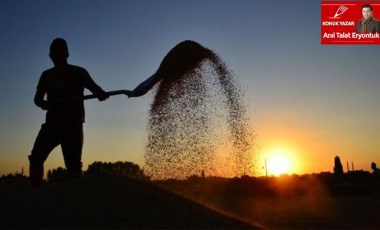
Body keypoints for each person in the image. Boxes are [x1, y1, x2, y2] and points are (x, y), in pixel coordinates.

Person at [29, 38, 109, 187]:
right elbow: (37, 99)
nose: (57, 55)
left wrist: (101, 94)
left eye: (61, 52)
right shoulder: (46, 75)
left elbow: (95, 88)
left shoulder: (79, 72)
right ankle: (35, 191)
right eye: (55, 53)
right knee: (36, 158)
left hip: (73, 125)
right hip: (52, 124)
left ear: (67, 54)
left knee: (73, 166)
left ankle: (76, 197)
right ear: (50, 56)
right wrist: (44, 104)